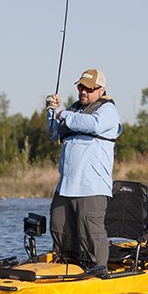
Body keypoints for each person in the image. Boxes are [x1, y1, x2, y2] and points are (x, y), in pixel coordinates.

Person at [46, 68, 122, 272]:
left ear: (101, 90)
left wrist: (64, 114)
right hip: (66, 186)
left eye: (89, 88)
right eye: (81, 87)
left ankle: (98, 269)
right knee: (58, 225)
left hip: (92, 187)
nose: (83, 92)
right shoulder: (73, 111)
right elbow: (53, 133)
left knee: (90, 232)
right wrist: (53, 112)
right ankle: (66, 266)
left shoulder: (107, 110)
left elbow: (95, 125)